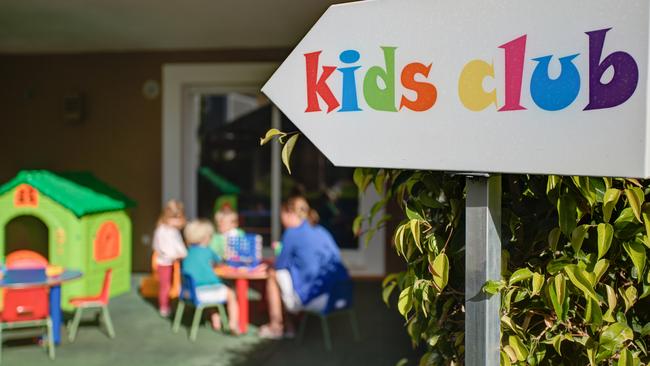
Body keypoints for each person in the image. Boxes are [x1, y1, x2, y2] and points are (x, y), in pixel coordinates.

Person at [259, 196, 350, 339]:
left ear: (289, 213)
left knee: (273, 274)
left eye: (281, 215)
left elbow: (280, 265)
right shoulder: (321, 230)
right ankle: (289, 326)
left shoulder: (292, 233)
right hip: (342, 294)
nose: (281, 220)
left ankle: (276, 326)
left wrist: (271, 262)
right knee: (286, 277)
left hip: (319, 299)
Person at [182, 219, 240, 334]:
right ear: (206, 238)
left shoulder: (187, 252)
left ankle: (216, 322)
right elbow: (220, 262)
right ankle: (233, 324)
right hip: (204, 292)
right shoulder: (208, 251)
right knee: (231, 294)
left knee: (212, 293)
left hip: (190, 292)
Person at [153, 200, 188, 317]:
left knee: (175, 284)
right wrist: (174, 255)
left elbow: (179, 245)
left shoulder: (174, 231)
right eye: (175, 218)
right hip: (164, 263)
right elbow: (161, 248)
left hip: (174, 262)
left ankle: (172, 303)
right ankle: (164, 306)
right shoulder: (161, 231)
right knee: (165, 285)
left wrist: (183, 253)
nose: (178, 222)